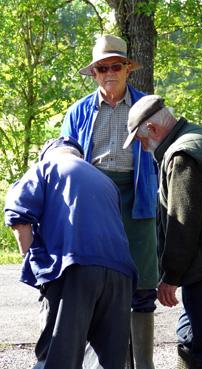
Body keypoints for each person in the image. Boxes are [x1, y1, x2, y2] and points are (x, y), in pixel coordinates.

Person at [123, 94, 202, 369]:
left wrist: (170, 276)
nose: (143, 148)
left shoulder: (182, 155)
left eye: (141, 141)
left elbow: (183, 222)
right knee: (190, 337)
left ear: (152, 130)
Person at [61, 34, 159, 369]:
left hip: (139, 200)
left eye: (115, 66)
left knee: (143, 288)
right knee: (96, 284)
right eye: (102, 68)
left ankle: (143, 365)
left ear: (128, 69)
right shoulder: (78, 112)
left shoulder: (149, 105)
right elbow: (65, 159)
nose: (109, 73)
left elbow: (168, 152)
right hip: (94, 202)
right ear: (94, 74)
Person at [4, 136, 138, 369]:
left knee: (58, 356)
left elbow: (19, 218)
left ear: (47, 154)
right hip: (121, 275)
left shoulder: (45, 167)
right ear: (80, 156)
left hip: (75, 268)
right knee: (106, 361)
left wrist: (34, 265)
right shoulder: (107, 181)